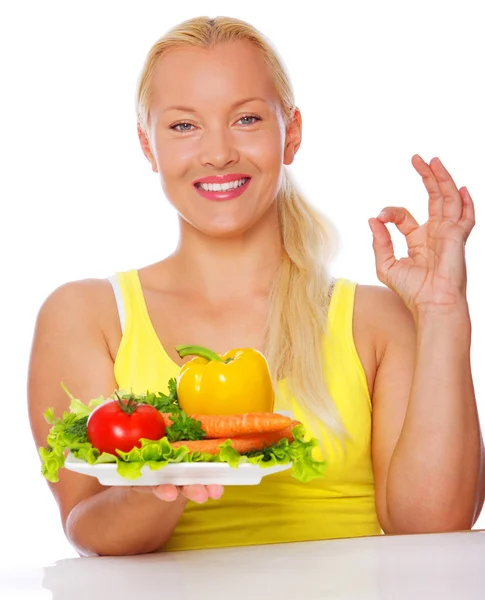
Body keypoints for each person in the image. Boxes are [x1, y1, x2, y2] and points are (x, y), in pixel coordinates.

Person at [28, 15, 484, 557]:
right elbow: (86, 526)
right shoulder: (87, 316)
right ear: (146, 145)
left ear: (290, 133)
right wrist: (169, 479)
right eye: (183, 126)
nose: (218, 152)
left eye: (245, 119)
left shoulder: (375, 321)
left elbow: (435, 526)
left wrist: (442, 315)